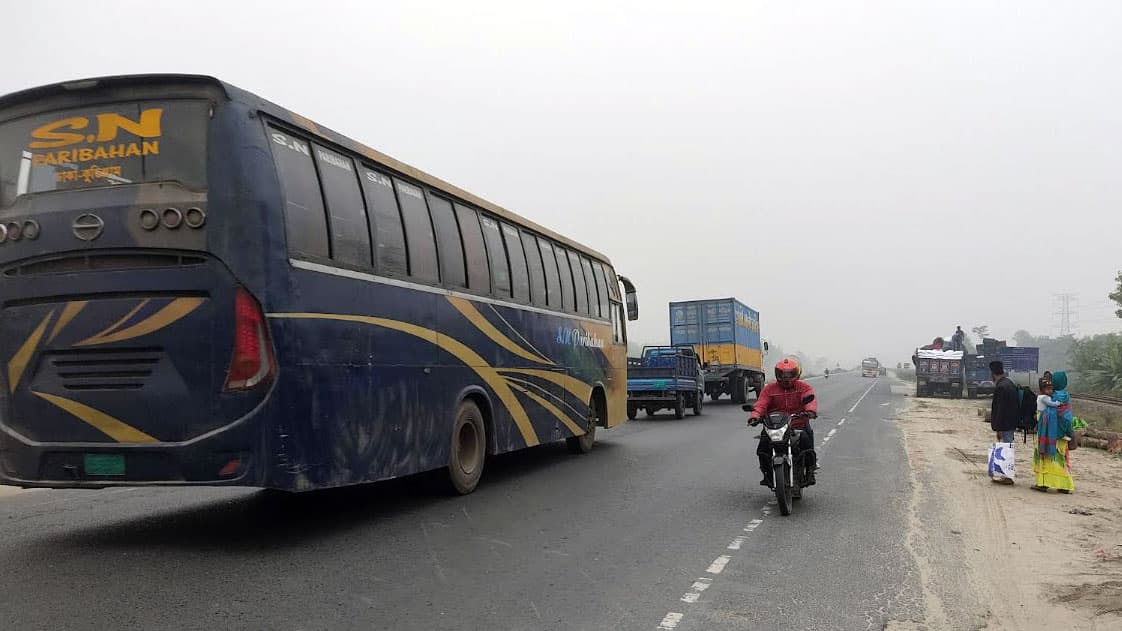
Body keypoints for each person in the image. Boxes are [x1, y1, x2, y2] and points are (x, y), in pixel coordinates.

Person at [748, 357, 818, 487]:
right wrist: (755, 416)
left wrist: (810, 411)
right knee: (762, 447)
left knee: (807, 441)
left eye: (789, 374)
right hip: (774, 426)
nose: (786, 378)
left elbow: (810, 399)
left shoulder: (804, 387)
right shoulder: (769, 389)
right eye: (782, 374)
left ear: (796, 374)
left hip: (797, 423)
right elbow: (761, 404)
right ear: (777, 374)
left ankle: (810, 470)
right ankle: (767, 474)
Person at [1032, 372, 1075, 493]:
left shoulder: (1050, 397)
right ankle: (1064, 485)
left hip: (1048, 434)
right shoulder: (1066, 397)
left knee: (1045, 457)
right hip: (1063, 434)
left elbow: (1044, 414)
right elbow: (1068, 416)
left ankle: (1043, 483)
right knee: (1061, 459)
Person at [989, 359, 1020, 443]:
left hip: (1004, 425)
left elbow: (1000, 409)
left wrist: (998, 429)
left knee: (1006, 450)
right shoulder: (1010, 383)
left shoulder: (1000, 387)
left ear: (993, 374)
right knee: (1008, 448)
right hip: (1011, 423)